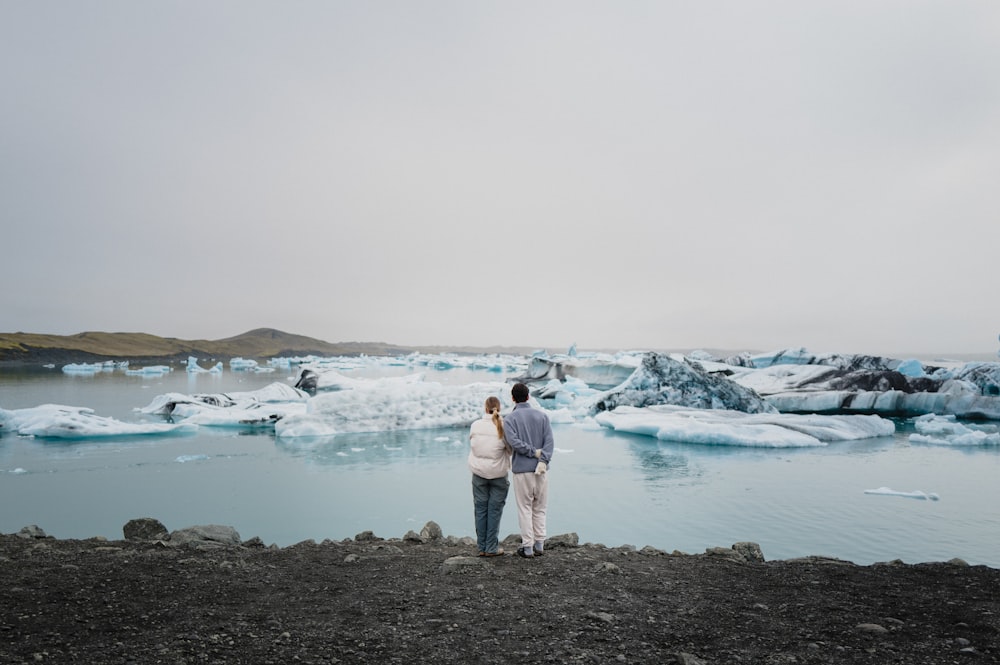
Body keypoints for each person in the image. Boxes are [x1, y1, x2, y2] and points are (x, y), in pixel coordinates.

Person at [502, 382, 554, 558]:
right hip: (541, 469)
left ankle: (528, 548)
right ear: (528, 396)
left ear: (513, 398)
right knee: (540, 507)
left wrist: (531, 451)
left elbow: (513, 442)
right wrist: (543, 459)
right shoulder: (542, 416)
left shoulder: (509, 419)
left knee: (525, 508)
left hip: (522, 471)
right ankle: (540, 544)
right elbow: (549, 442)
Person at [467, 395, 511, 557]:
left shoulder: (475, 425)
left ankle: (481, 547)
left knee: (480, 509)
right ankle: (491, 547)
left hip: (478, 473)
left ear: (485, 408)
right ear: (499, 409)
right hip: (498, 475)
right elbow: (510, 449)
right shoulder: (503, 426)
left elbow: (473, 444)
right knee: (494, 510)